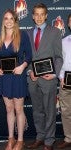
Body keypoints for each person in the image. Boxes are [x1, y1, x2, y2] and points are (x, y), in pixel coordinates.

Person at [0, 9, 32, 150]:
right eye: (6, 18)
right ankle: (11, 139)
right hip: (4, 77)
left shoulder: (22, 35)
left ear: (15, 21)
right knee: (9, 109)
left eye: (11, 18)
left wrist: (23, 66)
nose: (8, 21)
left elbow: (29, 55)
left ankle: (20, 140)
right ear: (3, 21)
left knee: (18, 109)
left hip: (17, 76)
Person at [26, 3, 63, 150]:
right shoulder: (27, 33)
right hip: (33, 79)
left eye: (42, 14)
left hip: (48, 79)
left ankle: (49, 141)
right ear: (33, 16)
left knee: (50, 111)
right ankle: (40, 137)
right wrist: (30, 72)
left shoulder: (54, 32)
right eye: (36, 14)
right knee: (37, 111)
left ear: (46, 15)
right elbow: (25, 57)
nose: (39, 17)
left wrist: (54, 74)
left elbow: (59, 57)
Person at [57, 14, 71, 149]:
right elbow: (60, 61)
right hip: (65, 82)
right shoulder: (64, 41)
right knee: (66, 112)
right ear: (68, 24)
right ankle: (68, 138)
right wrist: (61, 77)